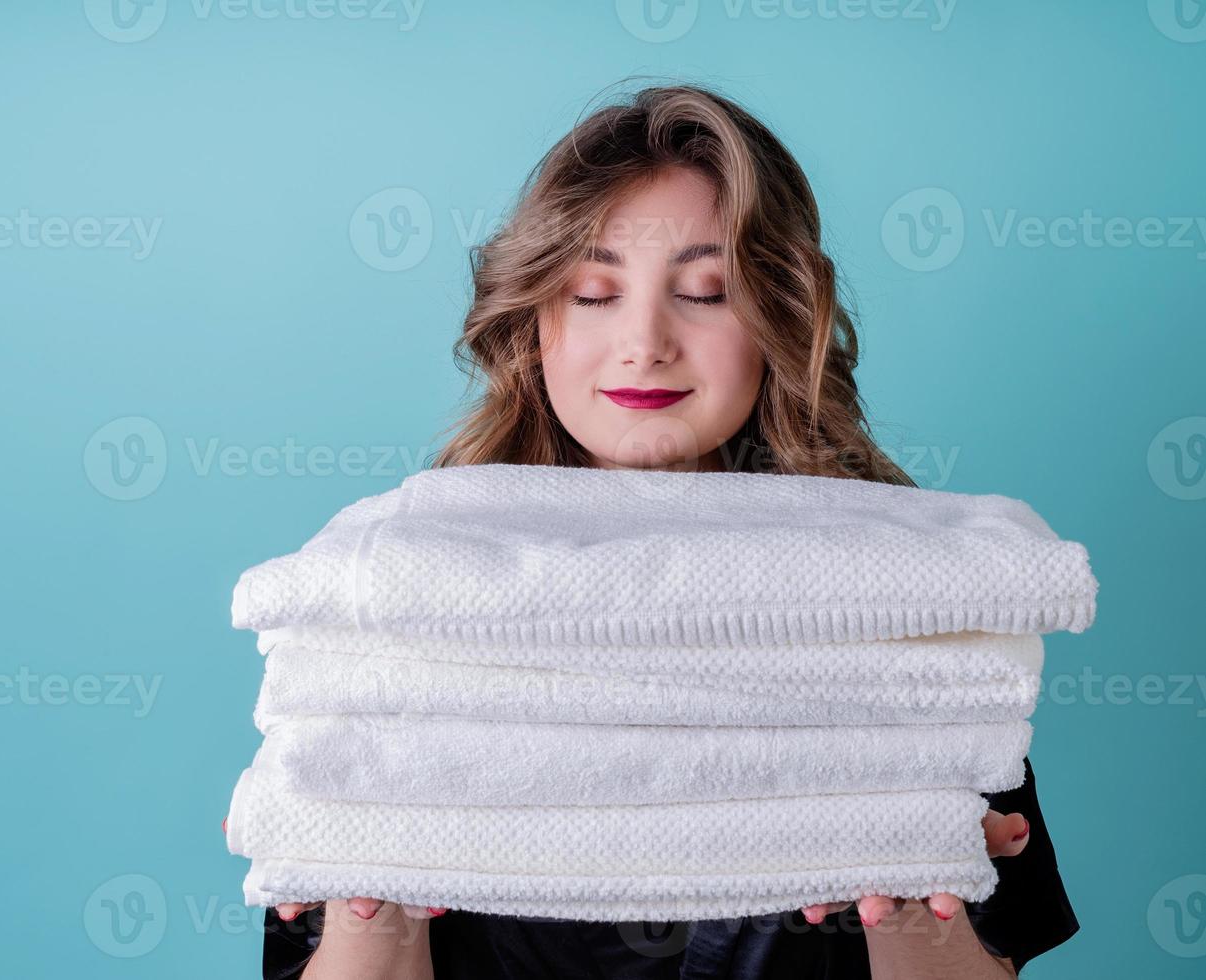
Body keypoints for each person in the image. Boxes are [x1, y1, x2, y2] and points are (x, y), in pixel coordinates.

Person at [256, 82, 1080, 979]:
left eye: (705, 290)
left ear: (780, 317)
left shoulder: (903, 616)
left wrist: (911, 900)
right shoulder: (403, 613)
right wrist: (372, 900)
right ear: (536, 325)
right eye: (594, 292)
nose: (644, 340)